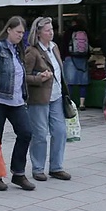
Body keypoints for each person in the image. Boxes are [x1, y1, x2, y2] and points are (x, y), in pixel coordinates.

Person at [0, 16, 34, 192]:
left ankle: (18, 173)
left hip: (17, 101)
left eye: (22, 32)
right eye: (18, 32)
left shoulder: (18, 49)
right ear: (9, 30)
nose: (21, 35)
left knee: (26, 133)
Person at [24, 17, 71, 182]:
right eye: (47, 30)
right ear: (38, 33)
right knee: (40, 135)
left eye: (52, 29)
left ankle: (56, 167)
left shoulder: (54, 47)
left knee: (60, 132)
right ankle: (38, 169)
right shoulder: (32, 51)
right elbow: (24, 76)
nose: (51, 32)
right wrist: (39, 77)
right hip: (39, 99)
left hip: (57, 96)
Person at [61, 18, 90, 110]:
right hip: (83, 58)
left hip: (70, 58)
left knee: (69, 82)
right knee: (83, 82)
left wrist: (63, 57)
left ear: (73, 23)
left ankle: (69, 102)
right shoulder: (85, 31)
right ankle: (82, 104)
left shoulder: (69, 32)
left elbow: (64, 44)